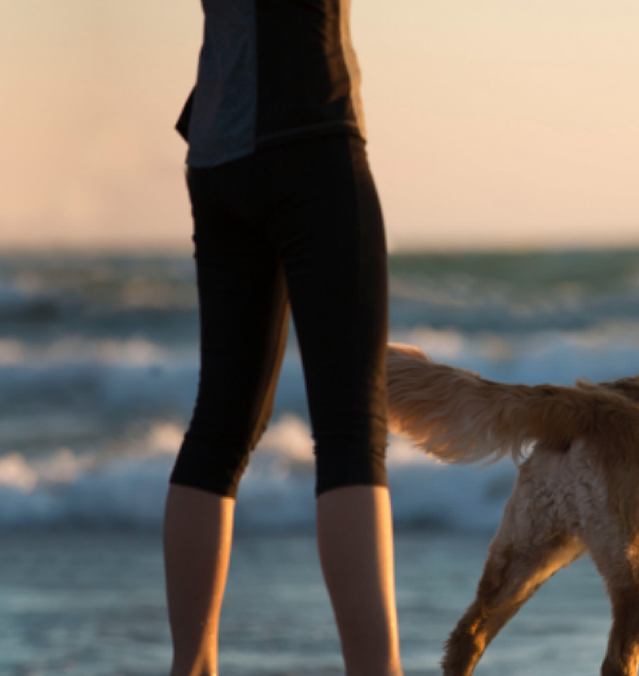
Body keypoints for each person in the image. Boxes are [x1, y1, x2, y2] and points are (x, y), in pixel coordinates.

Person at [163, 1, 402, 675]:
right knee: (352, 430)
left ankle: (192, 666)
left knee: (219, 429)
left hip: (217, 153)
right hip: (309, 132)